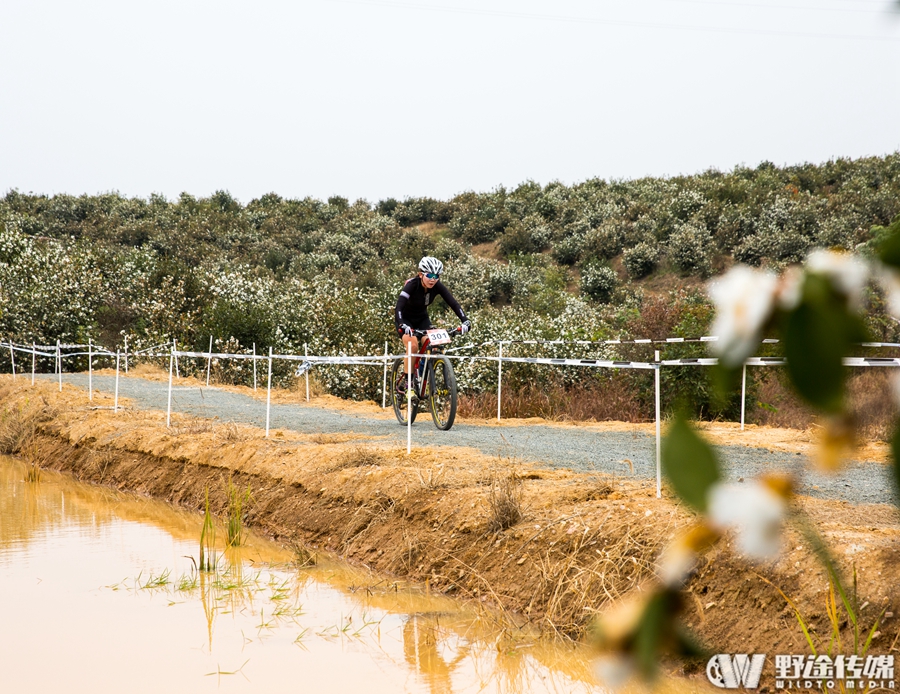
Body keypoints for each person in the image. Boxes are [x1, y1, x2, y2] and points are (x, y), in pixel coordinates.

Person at [394, 256, 471, 392]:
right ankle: (409, 382)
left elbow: (453, 303)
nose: (433, 279)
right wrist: (402, 324)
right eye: (429, 275)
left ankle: (424, 372)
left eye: (436, 276)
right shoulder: (412, 285)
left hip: (422, 319)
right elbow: (399, 307)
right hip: (405, 320)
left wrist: (464, 320)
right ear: (420, 274)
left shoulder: (437, 286)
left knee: (433, 344)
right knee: (413, 346)